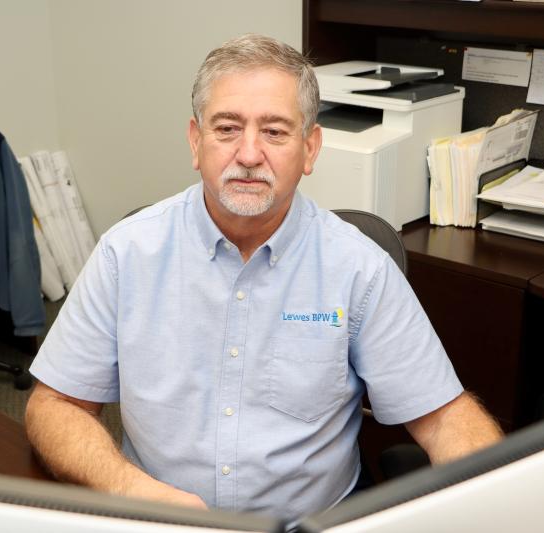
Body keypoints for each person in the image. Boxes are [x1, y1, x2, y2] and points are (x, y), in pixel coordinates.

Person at [25, 34, 503, 521]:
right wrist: (126, 487)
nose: (249, 154)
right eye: (227, 128)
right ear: (196, 142)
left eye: (274, 132)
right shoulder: (125, 254)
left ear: (310, 148)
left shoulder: (359, 268)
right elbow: (55, 404)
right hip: (157, 520)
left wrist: (501, 500)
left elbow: (445, 418)